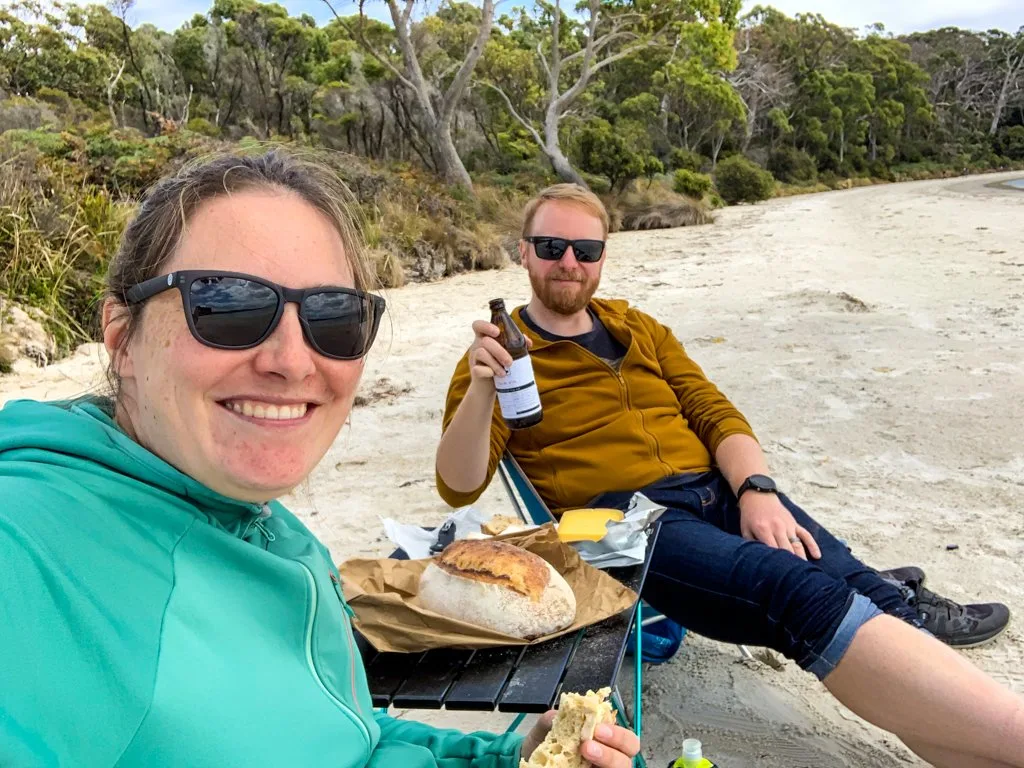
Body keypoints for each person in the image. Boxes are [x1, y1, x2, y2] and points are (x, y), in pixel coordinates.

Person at [0, 152, 640, 768]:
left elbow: (341, 731)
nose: (292, 360)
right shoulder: (29, 543)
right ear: (123, 340)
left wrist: (508, 757)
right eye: (224, 305)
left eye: (334, 318)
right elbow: (459, 482)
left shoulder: (277, 532)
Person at [435, 183, 1024, 767]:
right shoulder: (497, 355)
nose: (569, 262)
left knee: (865, 589)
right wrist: (485, 383)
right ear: (523, 252)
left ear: (602, 258)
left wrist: (757, 490)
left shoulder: (638, 328)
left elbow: (714, 414)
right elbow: (459, 484)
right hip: (616, 520)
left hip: (715, 490)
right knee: (799, 593)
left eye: (586, 250)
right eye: (552, 245)